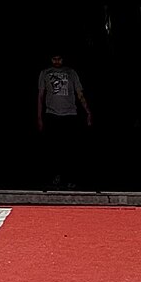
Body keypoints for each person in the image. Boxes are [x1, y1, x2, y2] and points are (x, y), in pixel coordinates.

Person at [36, 51, 92, 188]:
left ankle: (70, 177)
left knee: (70, 148)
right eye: (54, 59)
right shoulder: (45, 73)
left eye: (59, 59)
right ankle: (56, 176)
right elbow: (40, 96)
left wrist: (88, 112)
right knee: (54, 148)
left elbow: (79, 94)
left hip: (70, 114)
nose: (56, 62)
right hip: (52, 113)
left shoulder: (71, 73)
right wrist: (39, 117)